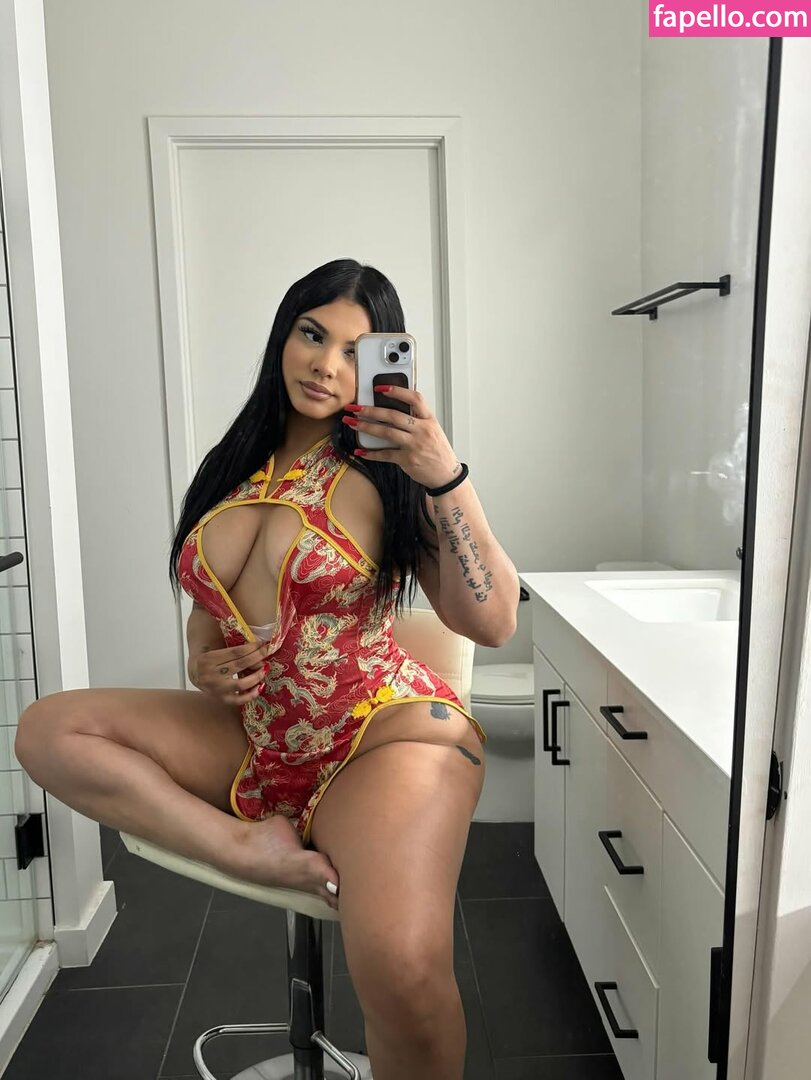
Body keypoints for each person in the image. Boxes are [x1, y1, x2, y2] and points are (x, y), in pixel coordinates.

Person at [16, 258, 519, 1080]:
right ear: (284, 335)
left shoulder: (391, 474)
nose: (325, 365)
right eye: (312, 335)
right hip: (258, 738)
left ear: (382, 364)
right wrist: (202, 662)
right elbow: (207, 615)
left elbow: (492, 622)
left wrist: (444, 477)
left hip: (382, 738)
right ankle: (248, 848)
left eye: (355, 351)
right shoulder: (234, 465)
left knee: (402, 968)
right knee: (48, 730)